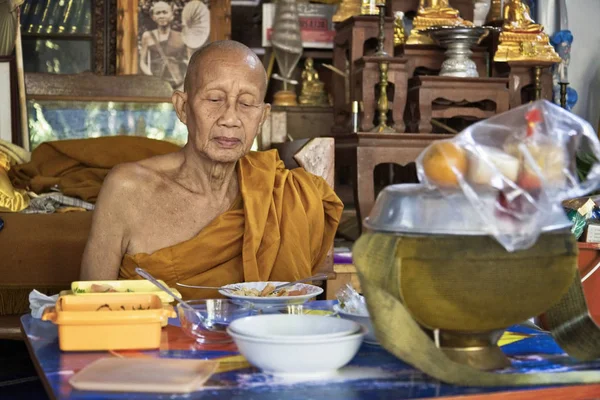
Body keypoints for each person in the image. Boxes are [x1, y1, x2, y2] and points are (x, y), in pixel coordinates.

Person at [80, 40, 344, 299]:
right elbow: (89, 307)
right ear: (183, 107)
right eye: (215, 99)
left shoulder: (277, 192)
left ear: (262, 117)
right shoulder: (127, 189)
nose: (230, 119)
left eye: (246, 103)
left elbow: (289, 310)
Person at [139, 1, 187, 88]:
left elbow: (188, 62)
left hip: (178, 83)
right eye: (158, 13)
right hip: (155, 83)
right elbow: (142, 62)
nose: (161, 16)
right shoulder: (147, 36)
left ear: (171, 15)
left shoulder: (181, 37)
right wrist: (151, 77)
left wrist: (183, 83)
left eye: (165, 12)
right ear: (153, 17)